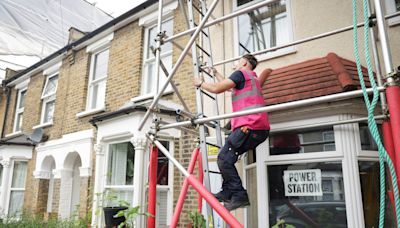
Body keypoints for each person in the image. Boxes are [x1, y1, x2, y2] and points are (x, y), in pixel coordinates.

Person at [193, 54, 270, 211]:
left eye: (237, 61)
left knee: (223, 158)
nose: (235, 64)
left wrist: (201, 83)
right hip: (258, 129)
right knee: (227, 158)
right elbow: (229, 85)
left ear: (244, 62)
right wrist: (215, 73)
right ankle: (228, 191)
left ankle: (239, 195)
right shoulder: (251, 78)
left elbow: (217, 88)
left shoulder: (241, 73)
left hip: (248, 126)